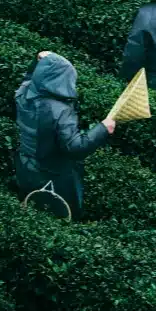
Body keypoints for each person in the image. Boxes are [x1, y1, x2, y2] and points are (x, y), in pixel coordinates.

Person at [14, 50, 116, 220]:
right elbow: (75, 147)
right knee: (60, 215)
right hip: (52, 172)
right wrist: (103, 129)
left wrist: (37, 60)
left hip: (26, 165)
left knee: (32, 208)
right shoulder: (60, 111)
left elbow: (29, 77)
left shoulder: (24, 92)